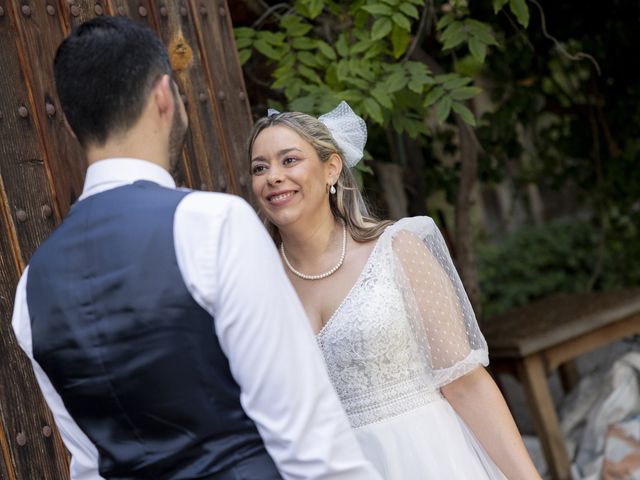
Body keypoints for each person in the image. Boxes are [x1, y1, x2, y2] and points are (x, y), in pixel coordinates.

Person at [11, 17, 383, 480]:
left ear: (69, 123)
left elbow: (88, 467)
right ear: (165, 96)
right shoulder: (214, 226)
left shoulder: (30, 290)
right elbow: (313, 448)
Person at [248, 101, 543, 479]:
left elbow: (466, 385)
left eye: (289, 161)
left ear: (331, 168)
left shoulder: (397, 249)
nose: (273, 176)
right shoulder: (258, 282)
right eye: (260, 167)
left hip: (426, 459)